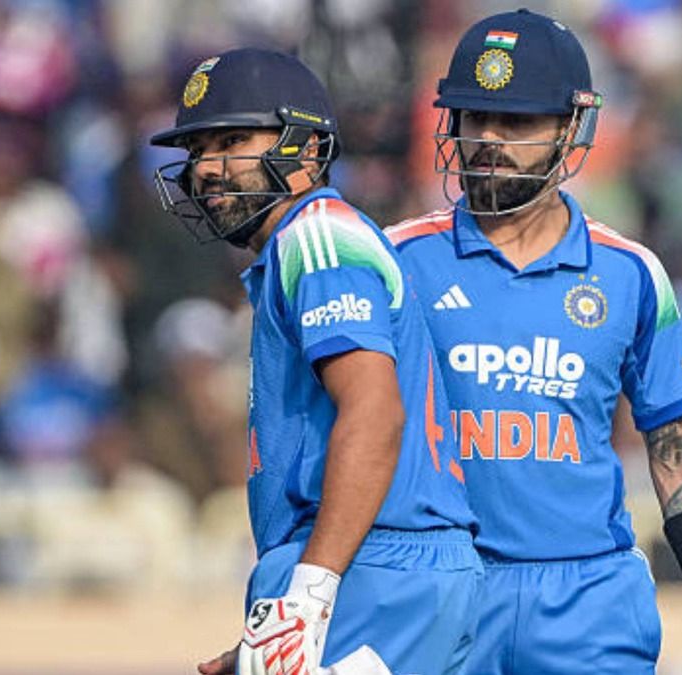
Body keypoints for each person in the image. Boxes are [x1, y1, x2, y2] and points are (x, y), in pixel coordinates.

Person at [388, 10, 682, 674]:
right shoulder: (395, 262)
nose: (489, 139)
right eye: (474, 117)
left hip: (589, 598)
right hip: (442, 590)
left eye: (517, 122)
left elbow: (677, 444)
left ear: (573, 128)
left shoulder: (629, 273)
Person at [150, 48, 480, 675]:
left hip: (372, 567)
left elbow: (375, 412)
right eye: (198, 150)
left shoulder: (317, 236)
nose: (208, 168)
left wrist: (310, 596)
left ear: (304, 149)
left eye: (233, 140)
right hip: (372, 570)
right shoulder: (306, 244)